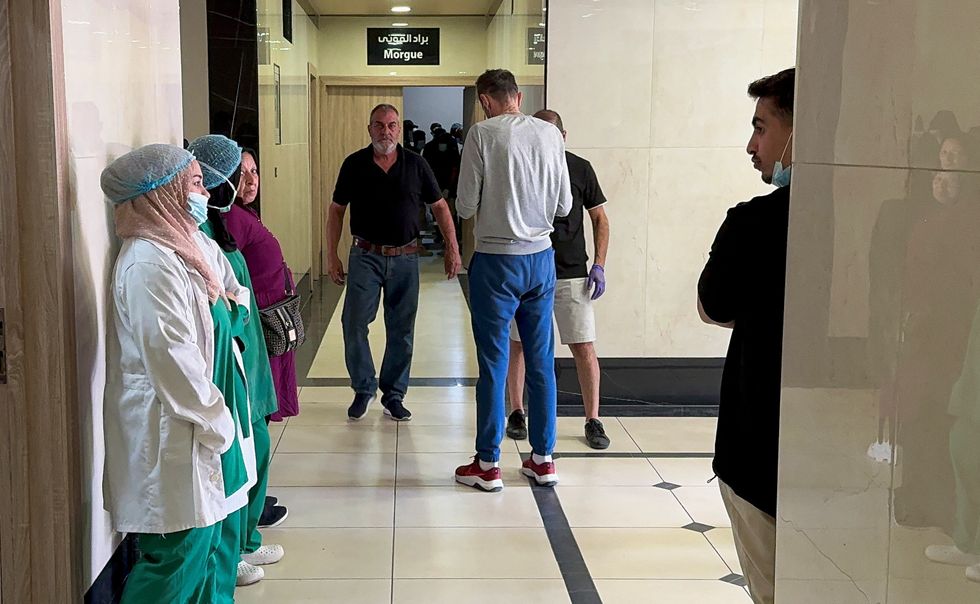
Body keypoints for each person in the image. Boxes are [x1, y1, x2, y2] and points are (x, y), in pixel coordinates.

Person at [101, 144, 236, 603]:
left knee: (195, 551)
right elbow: (173, 363)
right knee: (173, 562)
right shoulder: (147, 264)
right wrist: (218, 422)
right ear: (162, 195)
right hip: (170, 432)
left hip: (186, 429)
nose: (204, 193)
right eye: (195, 184)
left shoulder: (176, 249)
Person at [697, 67, 795, 604]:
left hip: (758, 445)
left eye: (761, 127)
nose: (751, 145)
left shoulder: (753, 224)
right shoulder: (876, 215)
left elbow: (713, 306)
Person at [454, 69, 572, 492]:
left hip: (496, 260)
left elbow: (466, 205)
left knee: (493, 363)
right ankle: (543, 459)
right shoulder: (550, 135)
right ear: (517, 96)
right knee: (542, 362)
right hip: (541, 259)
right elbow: (564, 205)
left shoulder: (482, 135)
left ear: (486, 100)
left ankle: (488, 463)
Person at [187, 135, 287, 588]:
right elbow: (224, 296)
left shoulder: (224, 227)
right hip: (232, 358)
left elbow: (236, 289)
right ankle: (232, 553)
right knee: (241, 456)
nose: (242, 182)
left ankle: (244, 540)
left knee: (257, 447)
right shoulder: (202, 233)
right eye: (235, 174)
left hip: (250, 352)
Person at [327, 103, 461, 422]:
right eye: (378, 125)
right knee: (354, 322)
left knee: (401, 329)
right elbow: (336, 210)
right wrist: (331, 254)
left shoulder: (416, 164)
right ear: (369, 128)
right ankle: (363, 388)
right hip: (365, 256)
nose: (384, 131)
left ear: (398, 129)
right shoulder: (354, 164)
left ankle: (394, 394)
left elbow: (440, 207)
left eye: (390, 125)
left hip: (405, 257)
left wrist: (452, 247)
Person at [505, 109, 611, 450]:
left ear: (563, 136)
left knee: (583, 345)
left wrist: (600, 264)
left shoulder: (579, 168)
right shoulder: (521, 166)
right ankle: (517, 412)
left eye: (553, 134)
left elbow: (600, 219)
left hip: (571, 272)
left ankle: (592, 418)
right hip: (530, 268)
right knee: (519, 343)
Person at [223, 149, 301, 427]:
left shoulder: (245, 213)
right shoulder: (232, 216)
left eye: (254, 171)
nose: (251, 180)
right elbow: (229, 271)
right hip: (260, 317)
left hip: (273, 310)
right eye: (241, 173)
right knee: (261, 394)